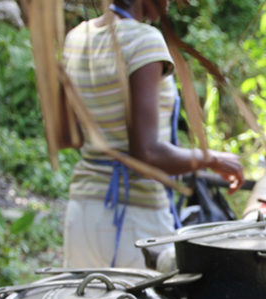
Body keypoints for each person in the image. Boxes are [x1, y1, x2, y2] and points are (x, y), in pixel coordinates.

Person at [62, 0, 245, 269]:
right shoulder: (144, 41)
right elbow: (146, 153)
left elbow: (70, 135)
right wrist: (212, 159)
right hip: (134, 221)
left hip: (82, 213)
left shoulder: (77, 37)